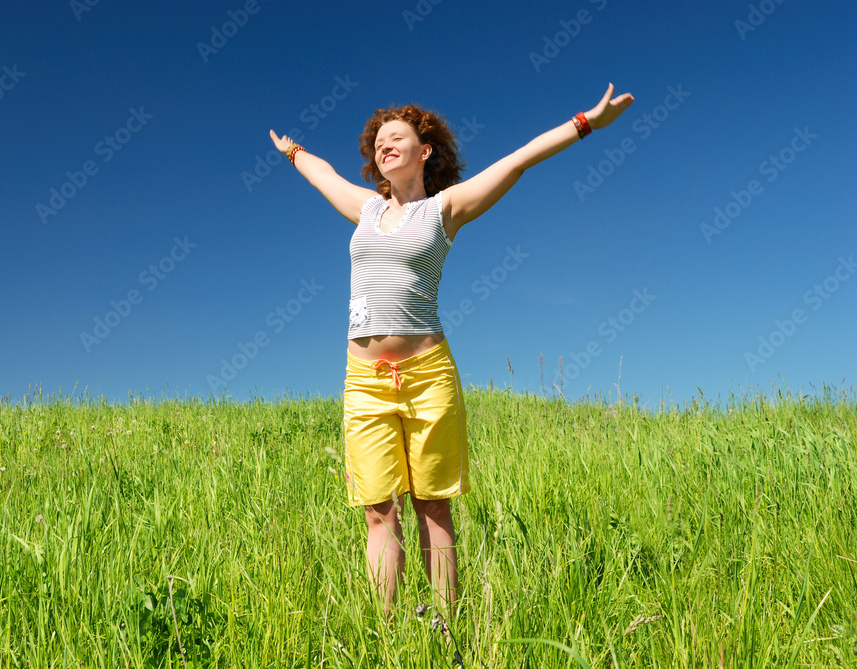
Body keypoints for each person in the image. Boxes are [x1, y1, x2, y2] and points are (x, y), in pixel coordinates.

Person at [268, 83, 634, 619]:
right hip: (364, 380)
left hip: (426, 375)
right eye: (378, 142)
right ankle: (388, 634)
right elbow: (322, 174)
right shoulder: (365, 210)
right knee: (377, 512)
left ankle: (444, 629)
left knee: (432, 507)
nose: (383, 147)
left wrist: (584, 123)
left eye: (398, 138)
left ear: (426, 150)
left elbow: (518, 161)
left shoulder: (446, 209)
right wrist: (294, 152)